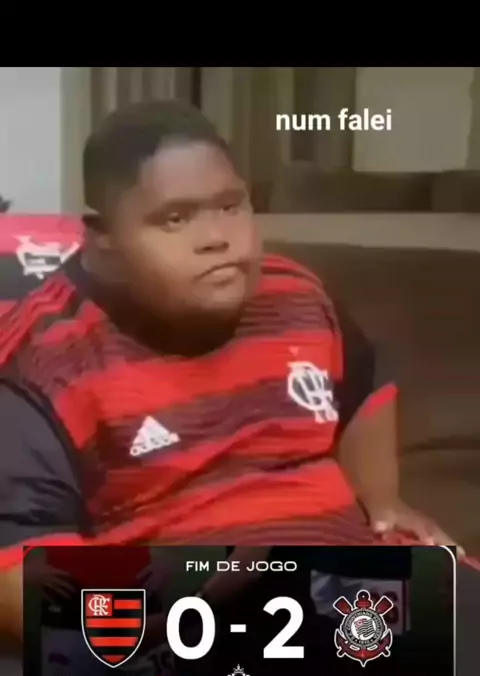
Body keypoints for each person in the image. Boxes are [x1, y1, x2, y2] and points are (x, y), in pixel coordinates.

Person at [0, 99, 471, 642]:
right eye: (175, 218)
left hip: (359, 582)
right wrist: (156, 636)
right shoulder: (40, 362)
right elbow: (16, 572)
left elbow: (364, 385)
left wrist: (384, 500)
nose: (217, 238)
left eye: (230, 206)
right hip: (195, 614)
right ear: (103, 234)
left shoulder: (296, 293)